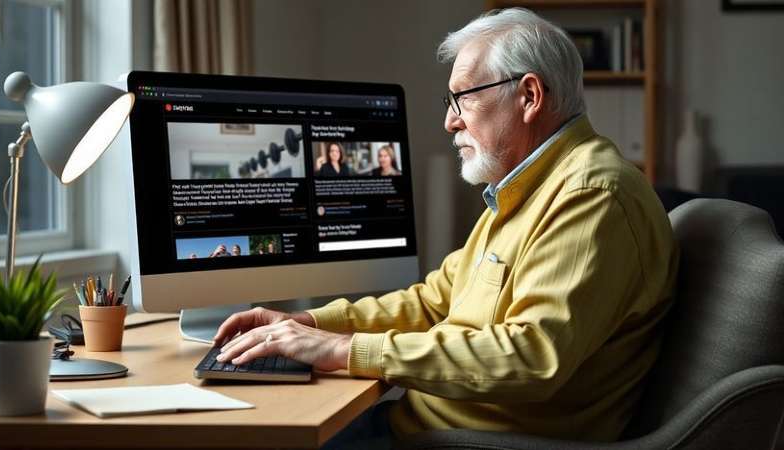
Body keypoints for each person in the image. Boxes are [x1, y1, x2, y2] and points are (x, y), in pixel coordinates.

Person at [213, 7, 678, 448]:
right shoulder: (527, 187)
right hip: (424, 425)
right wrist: (309, 324)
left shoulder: (590, 196)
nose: (449, 120)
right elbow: (434, 301)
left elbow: (532, 355)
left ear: (529, 97)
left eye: (464, 99)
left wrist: (345, 350)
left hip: (472, 444)